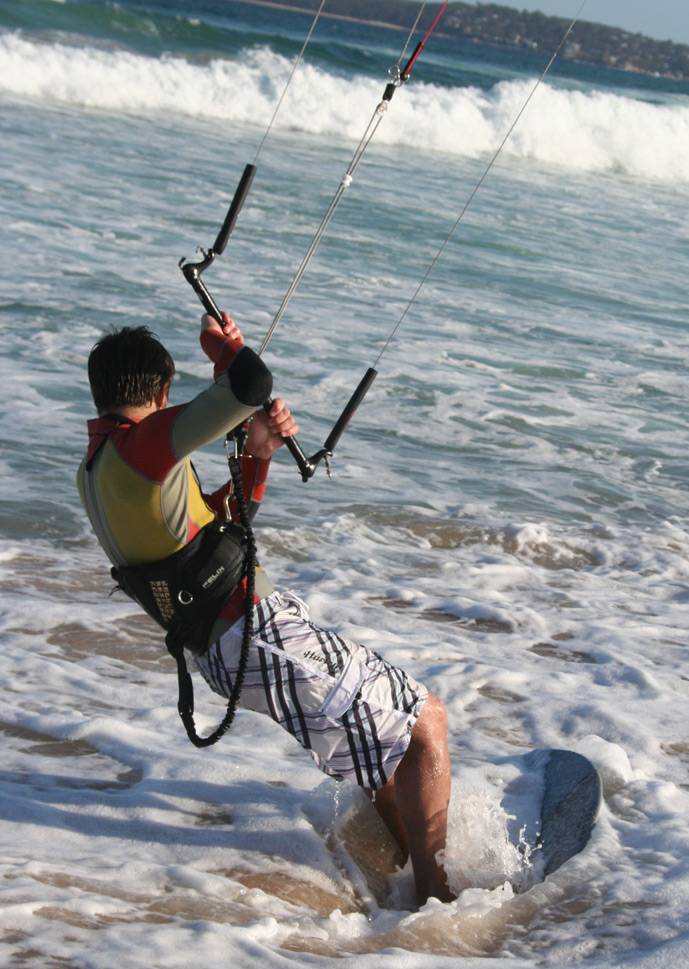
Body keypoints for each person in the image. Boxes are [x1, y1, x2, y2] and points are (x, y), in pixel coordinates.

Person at [77, 312, 453, 904]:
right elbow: (250, 384)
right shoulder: (141, 447)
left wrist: (261, 452)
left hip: (229, 646)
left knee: (382, 744)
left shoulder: (99, 470)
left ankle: (409, 872)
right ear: (161, 392)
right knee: (425, 721)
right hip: (257, 635)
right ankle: (440, 903)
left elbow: (225, 529)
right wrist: (224, 352)